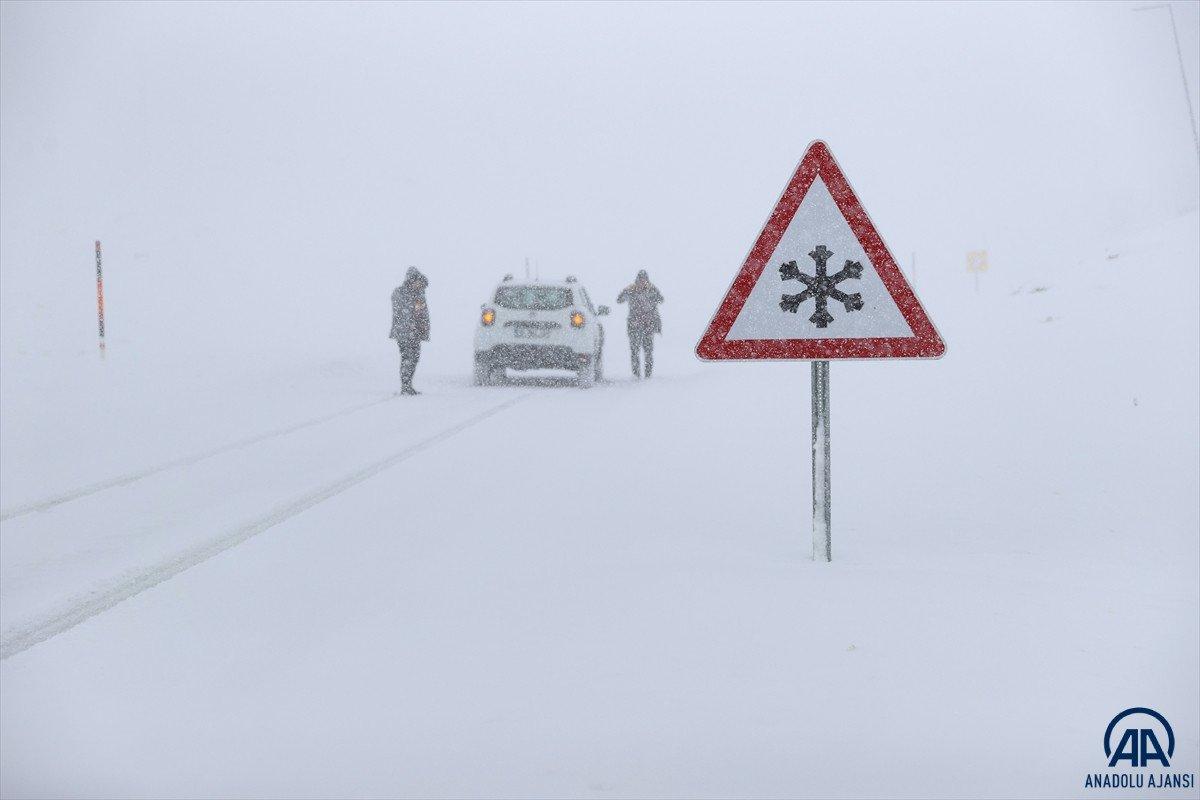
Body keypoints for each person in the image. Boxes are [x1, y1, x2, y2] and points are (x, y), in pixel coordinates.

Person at [389, 267, 430, 395]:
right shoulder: (400, 293)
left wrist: (423, 327)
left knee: (414, 358)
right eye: (416, 281)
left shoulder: (419, 294)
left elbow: (422, 313)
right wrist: (410, 325)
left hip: (416, 333)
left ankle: (408, 385)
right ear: (410, 280)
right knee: (407, 357)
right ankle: (405, 386)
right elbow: (402, 313)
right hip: (404, 333)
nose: (418, 284)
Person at [616, 269, 664, 379]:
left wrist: (653, 294)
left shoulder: (652, 290)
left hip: (648, 326)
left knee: (648, 352)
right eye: (640, 280)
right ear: (637, 281)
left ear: (647, 281)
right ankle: (636, 375)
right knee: (634, 351)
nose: (642, 282)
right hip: (634, 326)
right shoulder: (631, 290)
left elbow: (661, 299)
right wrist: (626, 291)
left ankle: (648, 375)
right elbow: (619, 300)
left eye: (644, 280)